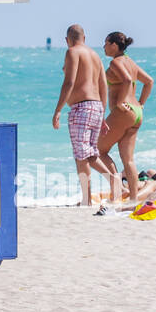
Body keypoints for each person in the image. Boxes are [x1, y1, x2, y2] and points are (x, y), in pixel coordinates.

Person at [52, 24, 119, 207]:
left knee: (81, 156)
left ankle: (88, 198)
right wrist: (102, 112)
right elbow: (103, 85)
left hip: (81, 109)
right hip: (96, 107)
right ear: (85, 38)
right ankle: (110, 183)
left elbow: (69, 82)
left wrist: (58, 110)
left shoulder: (73, 52)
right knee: (89, 153)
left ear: (67, 40)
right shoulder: (95, 55)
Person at [97, 32, 153, 204]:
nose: (104, 47)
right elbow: (149, 81)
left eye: (106, 43)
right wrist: (141, 104)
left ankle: (116, 193)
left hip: (123, 113)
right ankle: (134, 199)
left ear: (114, 45)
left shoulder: (115, 62)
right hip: (136, 113)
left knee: (98, 151)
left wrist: (121, 102)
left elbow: (128, 81)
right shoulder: (130, 62)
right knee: (128, 160)